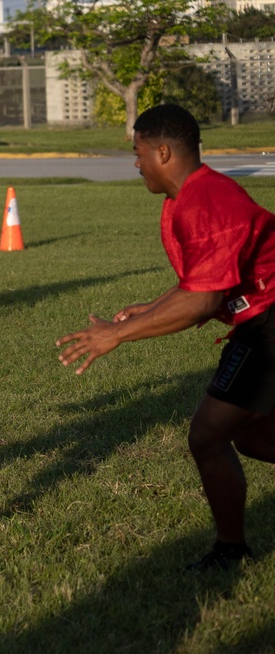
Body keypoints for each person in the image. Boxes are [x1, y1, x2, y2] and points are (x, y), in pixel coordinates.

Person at [56, 103, 275, 571]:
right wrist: (149, 309)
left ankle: (230, 551)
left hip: (269, 325)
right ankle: (232, 549)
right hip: (260, 321)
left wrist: (117, 335)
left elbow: (201, 302)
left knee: (208, 435)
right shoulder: (188, 198)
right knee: (255, 438)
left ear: (162, 151)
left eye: (137, 152)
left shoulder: (207, 201)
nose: (135, 164)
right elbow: (199, 284)